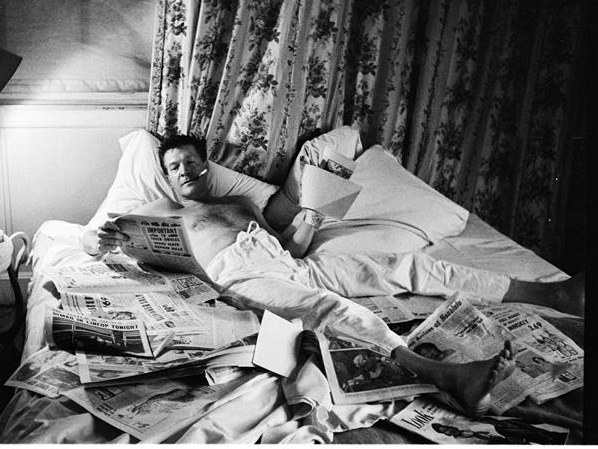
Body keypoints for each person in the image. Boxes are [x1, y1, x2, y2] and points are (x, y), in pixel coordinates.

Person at [80, 134, 581, 415]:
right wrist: (96, 242)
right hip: (238, 276)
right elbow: (96, 237)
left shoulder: (239, 202)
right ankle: (441, 372)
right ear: (166, 175)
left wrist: (311, 220)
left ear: (207, 165)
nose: (185, 171)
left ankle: (549, 293)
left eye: (192, 162)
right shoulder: (158, 210)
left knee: (397, 265)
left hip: (290, 264)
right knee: (327, 310)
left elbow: (288, 248)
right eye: (175, 166)